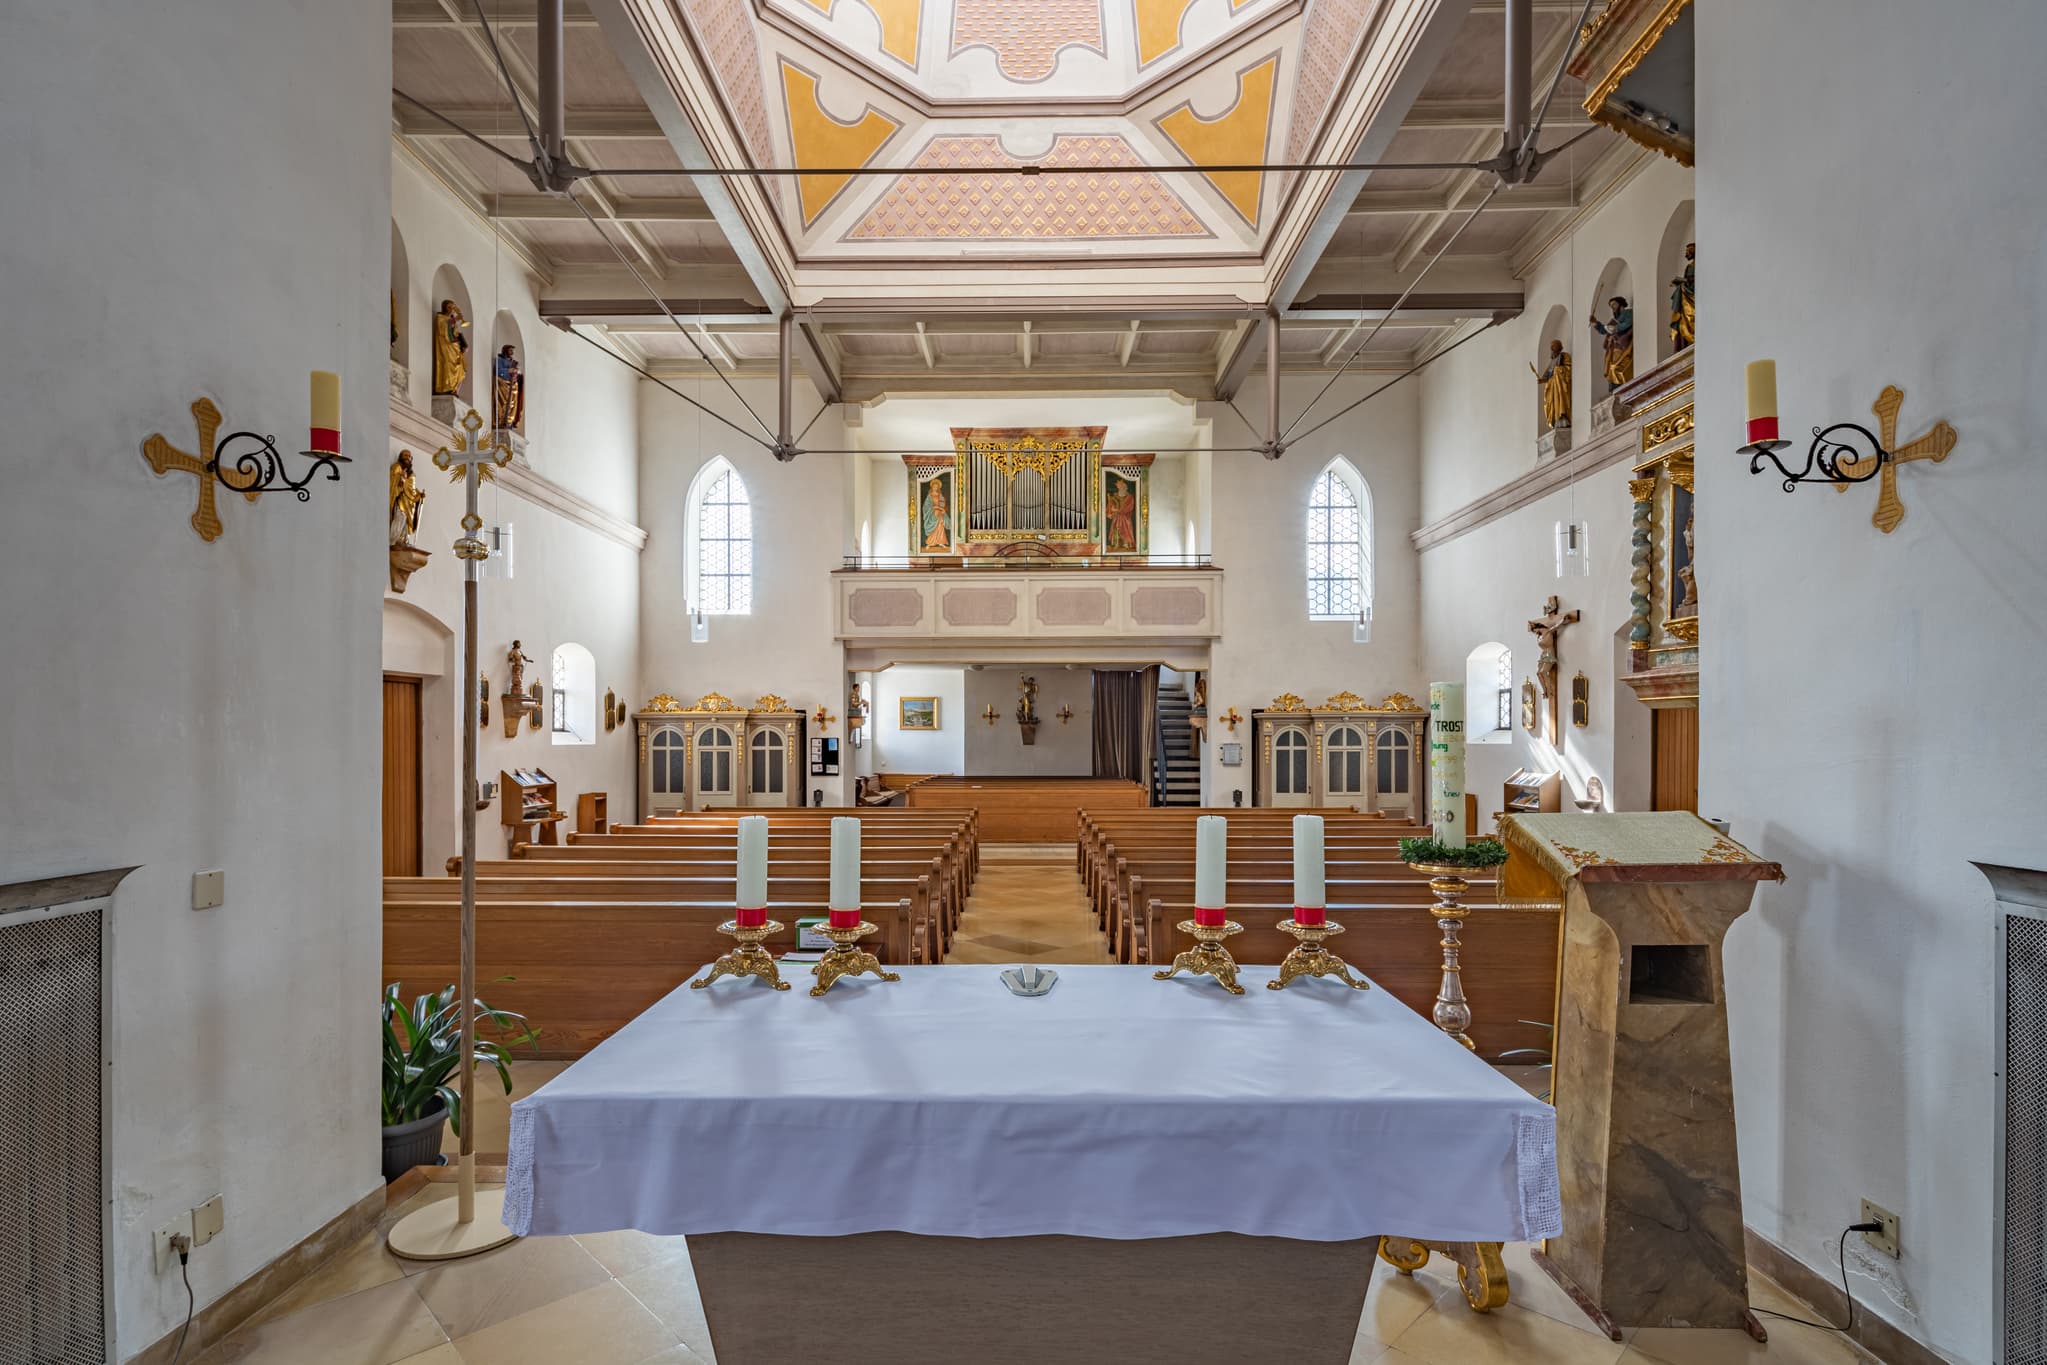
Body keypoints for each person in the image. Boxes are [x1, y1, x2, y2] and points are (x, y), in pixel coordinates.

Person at [1589, 296, 1633, 392]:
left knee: (1617, 366)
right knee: (1610, 366)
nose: (1612, 307)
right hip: (1613, 346)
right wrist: (1595, 323)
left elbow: (1628, 323)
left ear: (1621, 304)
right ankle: (1614, 387)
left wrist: (1616, 328)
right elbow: (1605, 330)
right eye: (1611, 306)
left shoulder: (1628, 313)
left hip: (1623, 345)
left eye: (1614, 304)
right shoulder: (1614, 320)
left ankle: (1621, 385)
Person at [1530, 340, 1572, 428]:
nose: (1551, 348)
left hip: (1560, 386)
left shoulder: (1564, 356)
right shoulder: (1552, 361)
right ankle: (1555, 418)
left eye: (1553, 346)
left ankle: (1563, 416)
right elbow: (1547, 375)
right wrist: (1542, 380)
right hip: (1553, 387)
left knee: (1560, 400)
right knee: (1553, 402)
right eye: (1551, 347)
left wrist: (1558, 370)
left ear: (1559, 347)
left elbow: (1569, 368)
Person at [432, 298, 469, 396]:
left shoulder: (451, 320)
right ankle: (446, 387)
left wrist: (462, 344)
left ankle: (454, 388)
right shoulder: (440, 318)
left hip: (454, 347)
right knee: (448, 365)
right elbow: (443, 331)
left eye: (452, 308)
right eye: (449, 307)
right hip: (446, 347)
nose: (451, 310)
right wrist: (454, 320)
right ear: (444, 308)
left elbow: (454, 334)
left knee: (460, 367)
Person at [388, 449, 424, 547]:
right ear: (400, 457)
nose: (407, 458)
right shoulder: (397, 467)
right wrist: (401, 480)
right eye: (405, 455)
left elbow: (411, 488)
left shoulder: (411, 473)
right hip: (400, 499)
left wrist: (419, 495)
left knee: (406, 523)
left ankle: (403, 540)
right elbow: (393, 482)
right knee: (400, 516)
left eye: (409, 456)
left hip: (409, 503)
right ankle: (393, 540)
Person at [1669, 242, 1695, 351]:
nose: (1686, 254)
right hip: (1685, 295)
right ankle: (1683, 343)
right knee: (1681, 321)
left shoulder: (1697, 265)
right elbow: (1687, 280)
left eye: (1687, 251)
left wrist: (1685, 282)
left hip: (1691, 296)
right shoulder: (1689, 266)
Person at [492, 344, 524, 431]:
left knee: (511, 404)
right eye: (510, 350)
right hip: (503, 385)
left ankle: (509, 421)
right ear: (505, 351)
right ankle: (500, 420)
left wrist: (517, 373)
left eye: (512, 351)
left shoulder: (513, 363)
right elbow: (497, 371)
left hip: (512, 386)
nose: (512, 352)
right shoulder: (500, 360)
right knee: (503, 403)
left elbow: (518, 374)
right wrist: (508, 371)